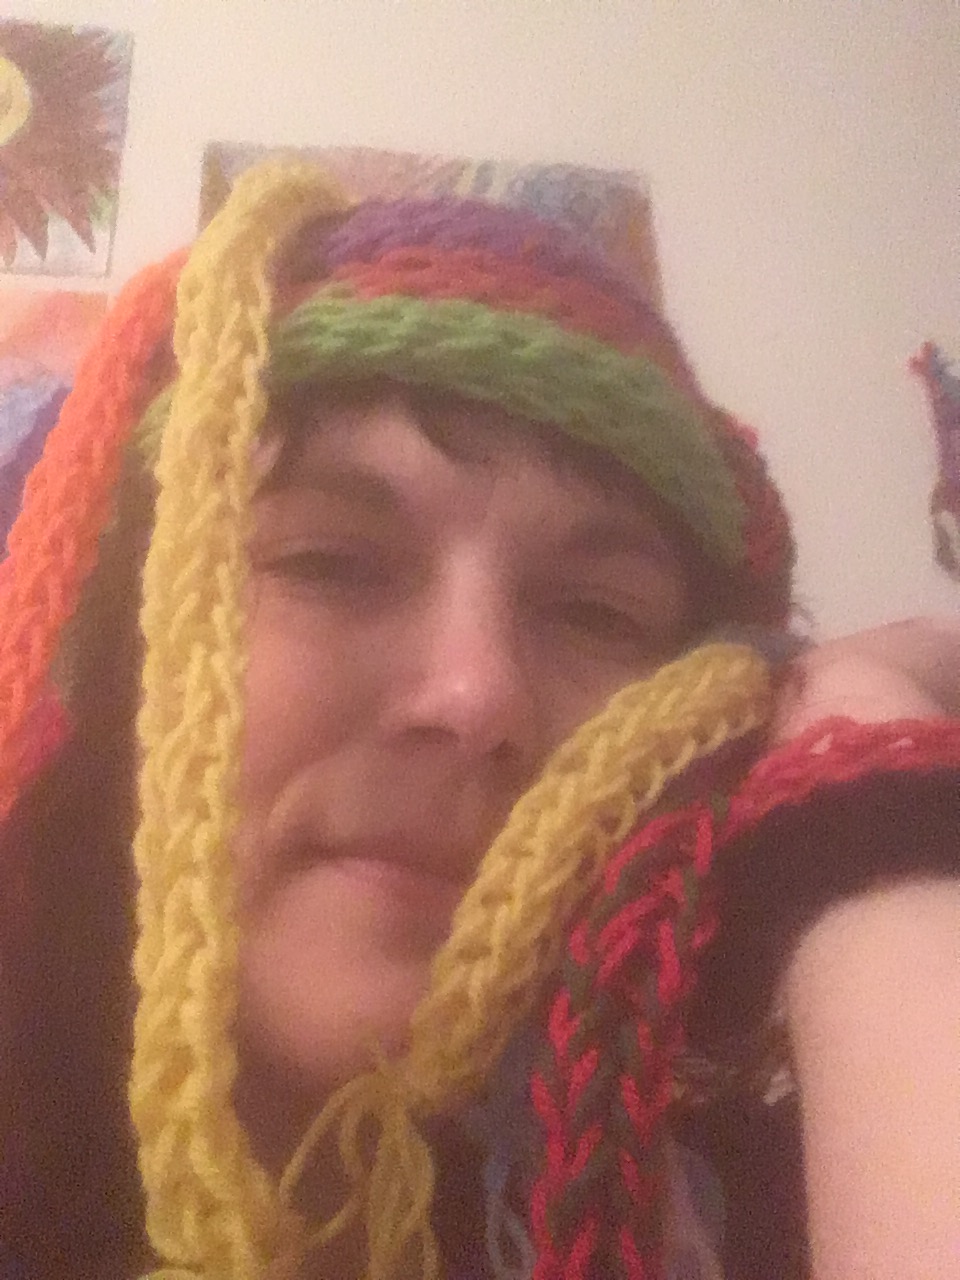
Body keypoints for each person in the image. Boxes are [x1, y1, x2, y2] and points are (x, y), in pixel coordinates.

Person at [0, 159, 957, 1280]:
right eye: (330, 562)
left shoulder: (773, 1200)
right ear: (117, 646)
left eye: (596, 612)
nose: (476, 694)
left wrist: (858, 765)